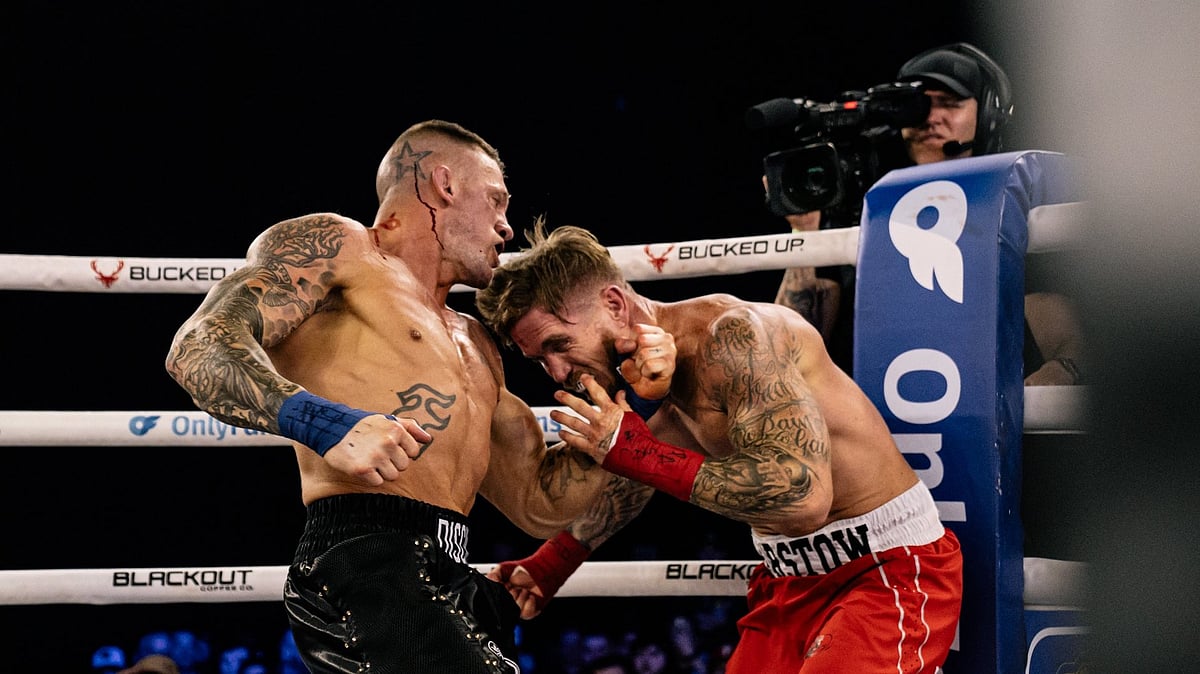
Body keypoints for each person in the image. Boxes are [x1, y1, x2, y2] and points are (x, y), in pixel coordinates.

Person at [164, 120, 673, 674]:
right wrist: (326, 423)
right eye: (497, 201)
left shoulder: (477, 342)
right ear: (445, 184)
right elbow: (199, 347)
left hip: (447, 569)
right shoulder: (344, 249)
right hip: (365, 557)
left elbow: (540, 502)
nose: (507, 228)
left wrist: (636, 405)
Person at [475, 222, 963, 672]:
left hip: (885, 569)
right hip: (787, 579)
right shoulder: (636, 380)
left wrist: (637, 450)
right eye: (540, 361)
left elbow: (805, 499)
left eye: (560, 345)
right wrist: (553, 561)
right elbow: (635, 479)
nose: (558, 373)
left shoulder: (731, 336)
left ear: (615, 304)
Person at [773, 42, 1085, 384]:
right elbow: (787, 353)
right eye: (917, 106)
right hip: (874, 413)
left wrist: (1062, 372)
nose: (930, 118)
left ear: (989, 116)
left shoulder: (1020, 205)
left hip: (981, 414)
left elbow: (1065, 337)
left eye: (950, 104)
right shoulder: (866, 206)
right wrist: (805, 231)